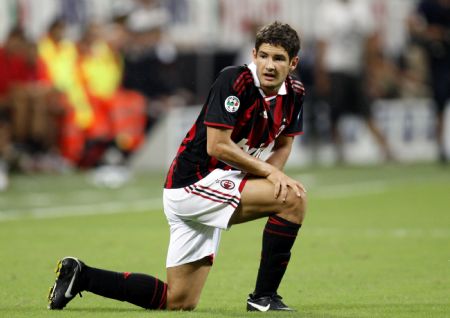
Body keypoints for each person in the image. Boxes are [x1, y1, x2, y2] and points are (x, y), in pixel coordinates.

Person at [47, 21, 307, 312]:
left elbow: (284, 142)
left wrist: (271, 176)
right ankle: (264, 298)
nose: (269, 65)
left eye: (278, 58)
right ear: (254, 54)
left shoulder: (295, 92)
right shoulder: (235, 80)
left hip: (220, 184)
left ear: (293, 62)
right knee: (292, 200)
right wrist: (271, 175)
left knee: (179, 301)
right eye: (264, 56)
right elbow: (217, 146)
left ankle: (81, 276)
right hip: (194, 183)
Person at [315, 0, 392, 163]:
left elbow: (370, 39)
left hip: (355, 67)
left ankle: (385, 148)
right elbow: (322, 42)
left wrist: (371, 67)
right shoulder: (327, 9)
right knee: (335, 113)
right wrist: (321, 72)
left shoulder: (361, 7)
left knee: (366, 109)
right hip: (335, 66)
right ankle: (339, 151)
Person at [408, 0, 450, 163]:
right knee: (439, 105)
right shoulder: (427, 5)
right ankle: (440, 146)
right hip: (437, 61)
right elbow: (412, 24)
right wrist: (428, 32)